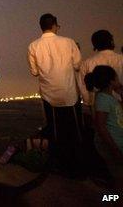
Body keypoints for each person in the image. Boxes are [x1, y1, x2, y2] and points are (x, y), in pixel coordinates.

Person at [27, 13, 83, 176]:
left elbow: (34, 72)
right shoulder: (69, 42)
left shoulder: (33, 46)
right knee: (74, 131)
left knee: (54, 131)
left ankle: (58, 164)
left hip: (48, 96)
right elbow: (78, 65)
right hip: (69, 94)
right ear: (54, 25)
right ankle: (77, 167)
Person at [85, 65, 123, 187]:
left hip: (117, 142)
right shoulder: (102, 99)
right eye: (117, 78)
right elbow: (100, 126)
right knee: (119, 177)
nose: (119, 81)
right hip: (113, 145)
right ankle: (115, 199)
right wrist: (114, 149)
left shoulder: (109, 97)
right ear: (111, 81)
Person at [78, 30, 123, 108]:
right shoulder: (121, 59)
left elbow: (82, 86)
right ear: (111, 41)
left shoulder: (87, 63)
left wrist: (89, 103)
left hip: (98, 105)